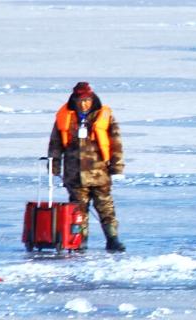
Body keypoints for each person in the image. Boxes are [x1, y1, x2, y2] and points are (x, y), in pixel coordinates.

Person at [48, 82, 126, 252]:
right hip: (74, 175)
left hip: (100, 173)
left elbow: (116, 143)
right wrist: (54, 167)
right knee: (78, 212)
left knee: (106, 208)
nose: (84, 104)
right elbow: (55, 144)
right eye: (80, 100)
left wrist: (117, 168)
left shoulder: (104, 115)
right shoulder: (65, 117)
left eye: (87, 100)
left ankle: (113, 239)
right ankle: (79, 242)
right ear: (74, 100)